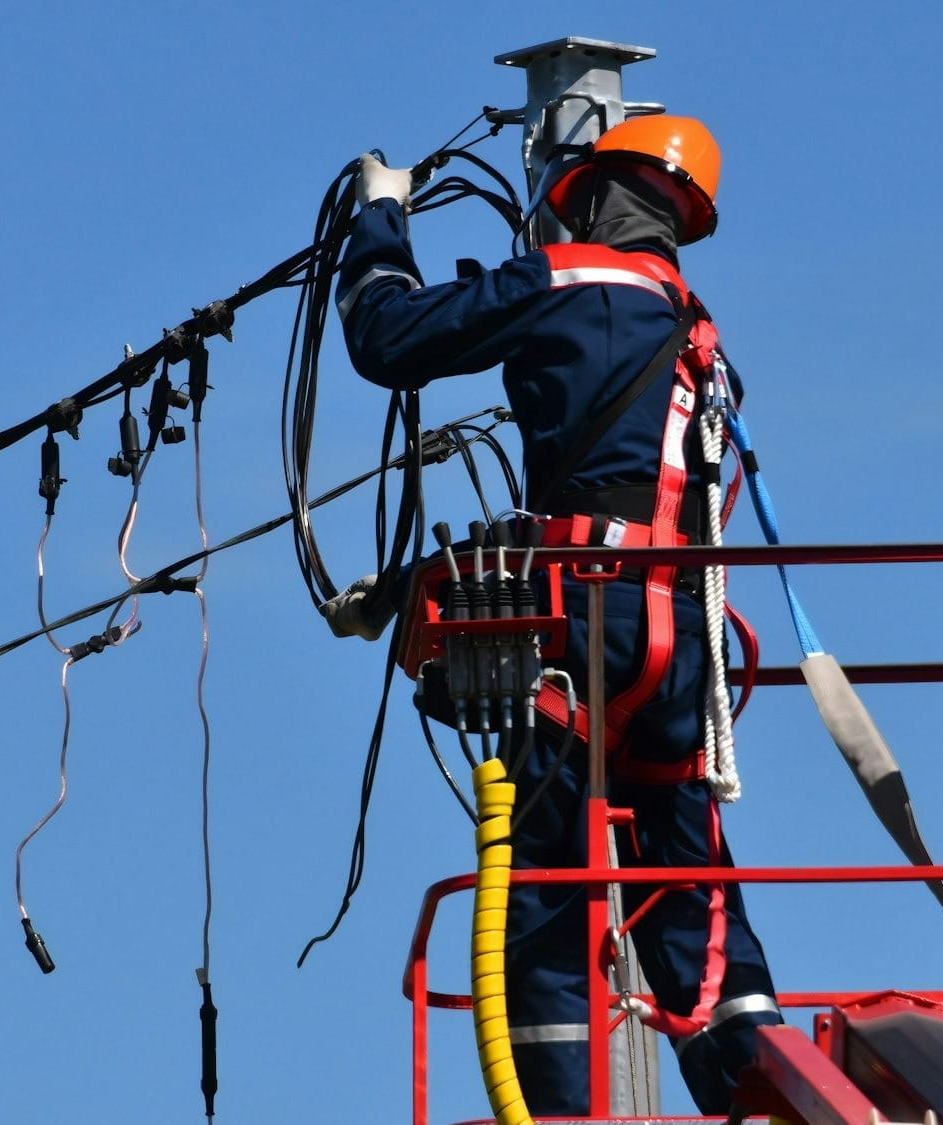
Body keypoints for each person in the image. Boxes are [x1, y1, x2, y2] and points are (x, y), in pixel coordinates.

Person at [334, 116, 784, 1116]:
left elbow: (386, 339)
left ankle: (561, 1111)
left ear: (583, 197)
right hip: (678, 646)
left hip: (579, 627)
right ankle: (757, 1075)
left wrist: (377, 217)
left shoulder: (565, 282)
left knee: (545, 892)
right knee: (691, 878)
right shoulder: (696, 332)